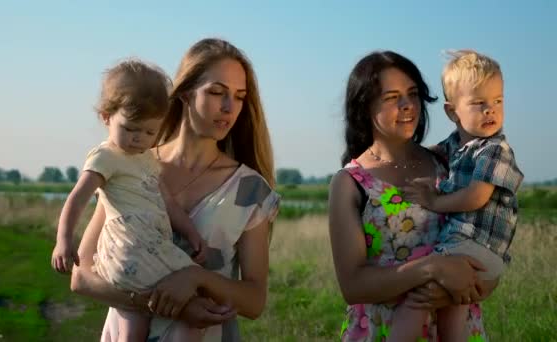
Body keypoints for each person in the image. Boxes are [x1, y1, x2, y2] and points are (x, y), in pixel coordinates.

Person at [70, 38, 280, 341]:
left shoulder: (250, 192)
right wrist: (163, 305)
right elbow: (81, 276)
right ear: (183, 94)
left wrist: (195, 277)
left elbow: (254, 301)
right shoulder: (129, 165)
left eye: (238, 97)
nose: (227, 107)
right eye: (216, 92)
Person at [329, 51, 497, 342]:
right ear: (365, 107)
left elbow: (490, 244)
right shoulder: (351, 182)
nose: (408, 106)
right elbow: (353, 286)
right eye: (392, 97)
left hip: (459, 327)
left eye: (413, 94)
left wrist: (468, 283)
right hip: (383, 331)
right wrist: (434, 268)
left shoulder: (450, 162)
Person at [51, 59, 210, 341]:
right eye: (130, 129)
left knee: (188, 285)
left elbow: (168, 203)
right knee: (139, 321)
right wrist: (64, 241)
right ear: (106, 116)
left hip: (150, 245)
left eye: (150, 132)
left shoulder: (146, 158)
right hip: (128, 249)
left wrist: (191, 232)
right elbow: (77, 199)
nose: (139, 139)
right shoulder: (106, 157)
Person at [394, 50, 523, 341]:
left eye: (497, 101)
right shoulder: (457, 143)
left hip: (477, 245)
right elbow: (427, 155)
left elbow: (477, 196)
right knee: (451, 308)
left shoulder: (494, 149)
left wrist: (433, 201)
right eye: (479, 103)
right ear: (452, 112)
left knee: (417, 297)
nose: (491, 110)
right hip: (467, 245)